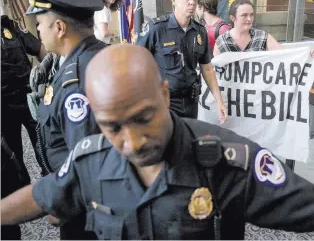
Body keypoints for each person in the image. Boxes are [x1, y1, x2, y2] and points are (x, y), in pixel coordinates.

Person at [2, 44, 314, 240]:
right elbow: (43, 196)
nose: (133, 142)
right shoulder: (89, 161)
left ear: (164, 95)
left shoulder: (227, 160)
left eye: (143, 118)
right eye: (112, 127)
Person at [21, 0, 107, 239]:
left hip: (88, 212)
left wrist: (63, 203)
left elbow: (84, 161)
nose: (37, 31)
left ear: (59, 28)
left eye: (40, 24)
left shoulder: (77, 79)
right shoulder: (90, 57)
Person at [137, 0, 226, 122]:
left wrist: (219, 100)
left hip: (191, 102)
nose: (192, 2)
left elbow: (207, 68)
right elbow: (136, 62)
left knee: (189, 140)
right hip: (165, 102)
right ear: (174, 0)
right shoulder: (156, 29)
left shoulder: (200, 31)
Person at [1, 14, 47, 182]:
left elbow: (39, 48)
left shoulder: (10, 27)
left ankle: (53, 188)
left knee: (44, 146)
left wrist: (48, 73)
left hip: (29, 100)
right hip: (4, 109)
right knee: (14, 160)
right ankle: (27, 197)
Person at [214, 0, 284, 55]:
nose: (249, 19)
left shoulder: (262, 36)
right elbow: (215, 69)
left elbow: (283, 55)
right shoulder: (221, 41)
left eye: (251, 15)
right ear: (233, 18)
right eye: (244, 15)